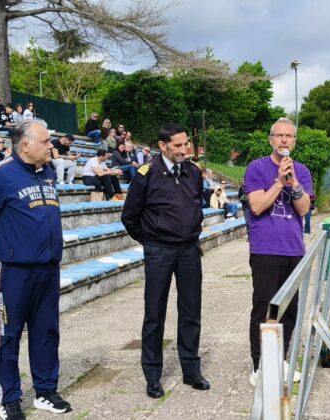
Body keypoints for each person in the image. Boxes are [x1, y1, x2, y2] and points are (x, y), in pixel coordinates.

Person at [0, 120, 70, 420]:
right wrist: (5, 249)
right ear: (25, 145)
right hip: (13, 270)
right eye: (45, 141)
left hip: (47, 268)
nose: (51, 146)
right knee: (8, 335)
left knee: (46, 331)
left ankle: (46, 390)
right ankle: (9, 397)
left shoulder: (47, 173)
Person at [121, 122, 210, 399]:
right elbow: (130, 217)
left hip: (189, 251)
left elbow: (196, 205)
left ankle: (191, 370)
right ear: (162, 146)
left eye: (186, 144)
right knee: (154, 314)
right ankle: (152, 375)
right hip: (159, 251)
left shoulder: (192, 172)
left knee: (191, 312)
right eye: (178, 145)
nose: (184, 150)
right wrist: (151, 241)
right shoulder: (146, 174)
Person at [244, 117, 313, 387]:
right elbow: (257, 206)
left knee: (289, 310)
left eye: (289, 136)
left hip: (293, 249)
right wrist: (278, 183)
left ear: (294, 141)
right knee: (264, 308)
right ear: (271, 139)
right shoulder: (257, 168)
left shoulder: (302, 171)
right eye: (279, 135)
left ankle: (280, 360)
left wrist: (293, 183)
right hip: (265, 249)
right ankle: (260, 365)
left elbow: (303, 209)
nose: (284, 139)